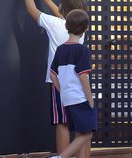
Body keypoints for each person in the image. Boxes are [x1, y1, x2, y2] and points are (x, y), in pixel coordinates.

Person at [24, 0, 89, 156]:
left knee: (63, 123)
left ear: (63, 8)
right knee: (83, 126)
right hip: (79, 82)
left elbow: (31, 9)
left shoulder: (54, 24)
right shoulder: (80, 27)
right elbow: (63, 15)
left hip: (60, 82)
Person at [50, 9, 98, 158]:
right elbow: (83, 77)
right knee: (88, 133)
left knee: (79, 132)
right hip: (81, 98)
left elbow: (52, 75)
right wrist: (90, 99)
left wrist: (62, 90)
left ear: (66, 27)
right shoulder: (83, 50)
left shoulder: (60, 49)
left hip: (67, 99)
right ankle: (60, 157)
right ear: (86, 29)